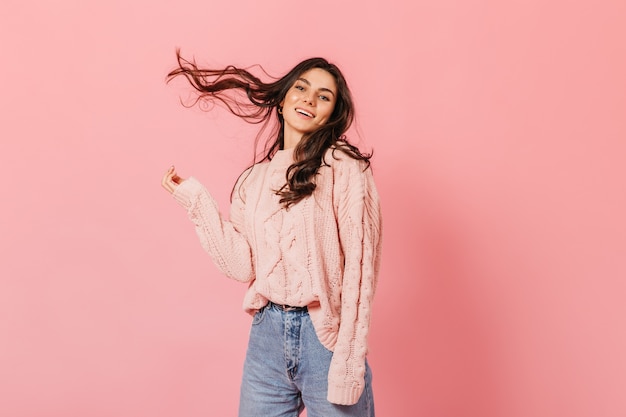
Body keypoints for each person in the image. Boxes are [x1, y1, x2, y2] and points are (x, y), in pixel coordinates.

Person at [161, 50, 382, 417]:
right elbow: (242, 267)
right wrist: (196, 201)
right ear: (281, 101)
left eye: (324, 96)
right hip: (267, 337)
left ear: (331, 115)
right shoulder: (254, 180)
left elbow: (360, 273)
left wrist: (347, 362)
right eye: (301, 87)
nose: (309, 99)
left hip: (324, 339)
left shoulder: (345, 168)